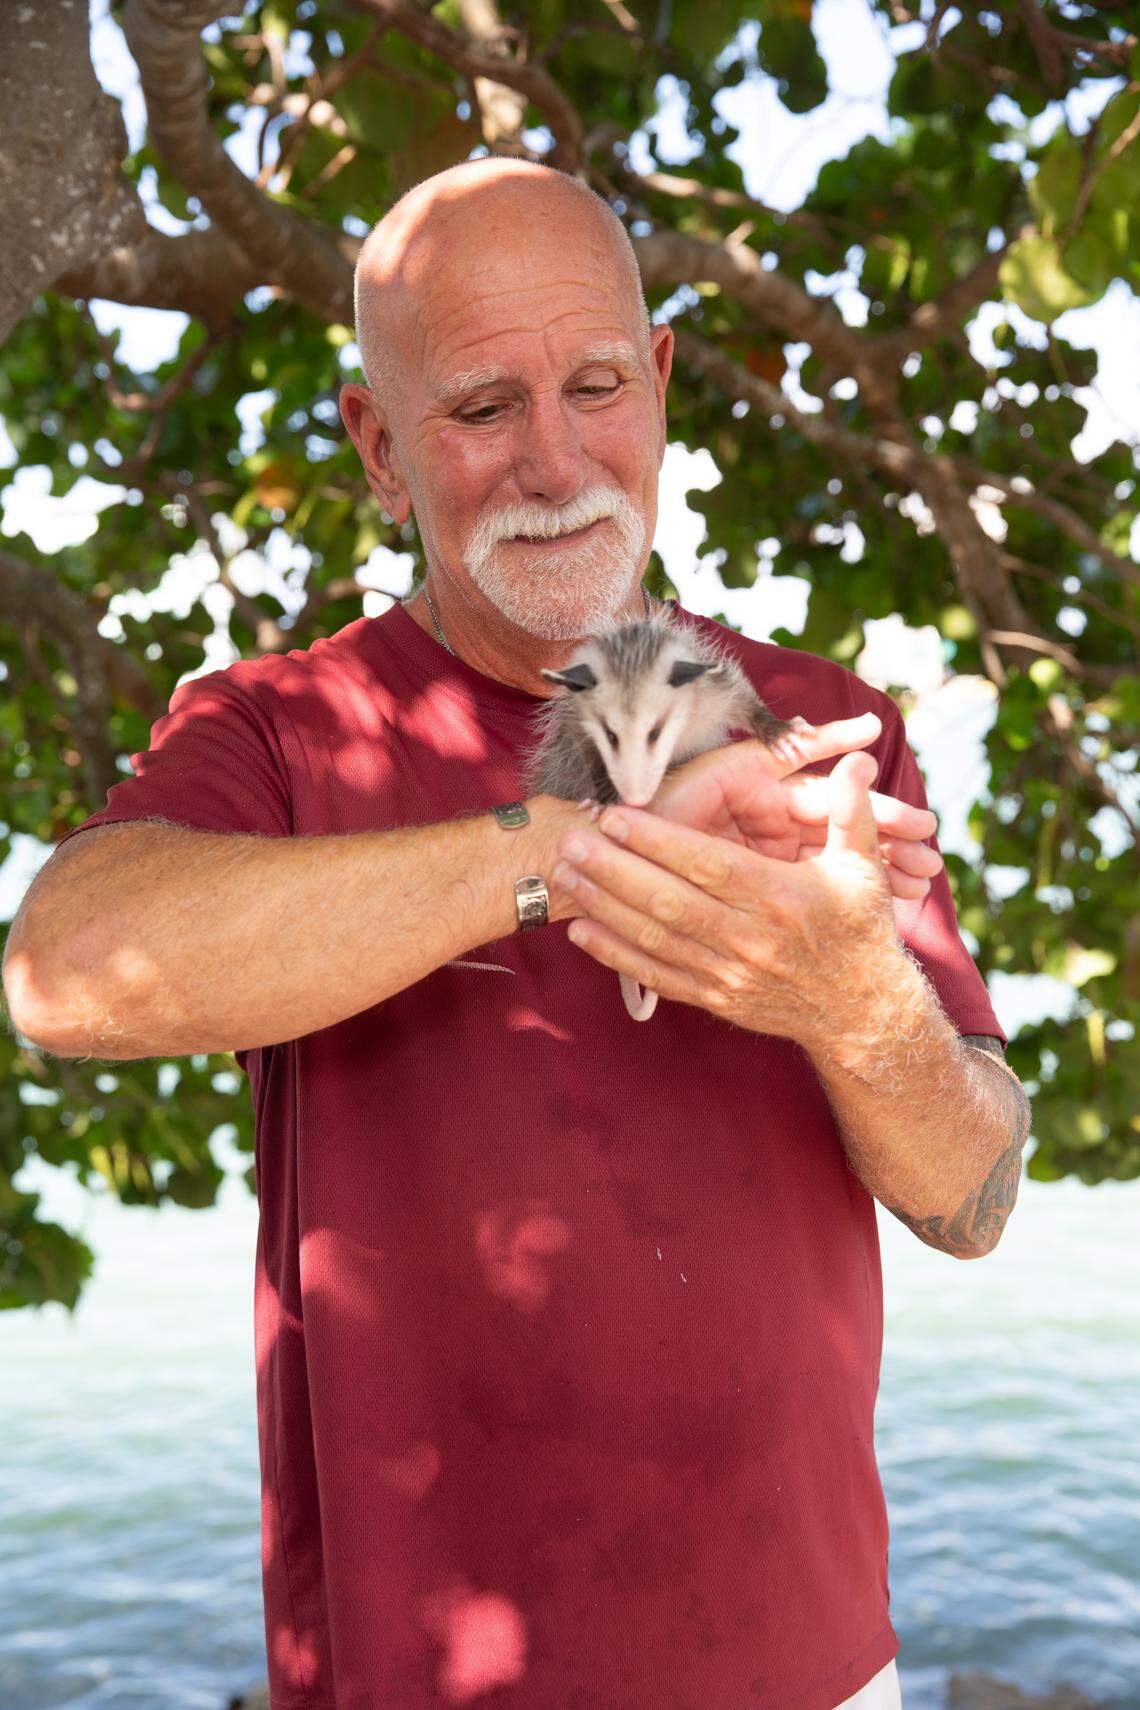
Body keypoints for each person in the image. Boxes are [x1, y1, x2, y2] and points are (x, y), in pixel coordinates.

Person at [4, 157, 1019, 1710]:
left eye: (598, 385)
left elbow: (972, 1191)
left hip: (817, 1675)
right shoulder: (282, 731)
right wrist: (572, 848)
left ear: (661, 381)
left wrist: (844, 992)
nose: (557, 461)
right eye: (480, 410)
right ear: (379, 448)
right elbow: (62, 970)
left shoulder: (825, 730)